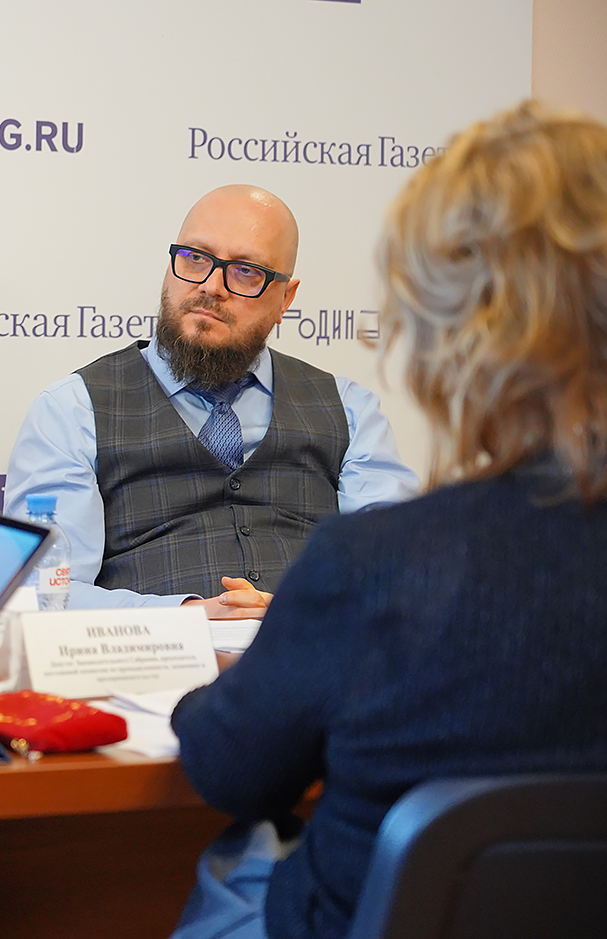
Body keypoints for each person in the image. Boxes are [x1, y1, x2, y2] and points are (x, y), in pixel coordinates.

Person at [167, 101, 607, 939]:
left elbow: (231, 772)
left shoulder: (378, 567)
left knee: (238, 856)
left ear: (442, 328)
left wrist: (208, 695)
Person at [4, 184, 418, 615]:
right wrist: (186, 617)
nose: (211, 285)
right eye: (195, 258)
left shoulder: (349, 410)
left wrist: (298, 613)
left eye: (245, 271)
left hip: (313, 648)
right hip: (150, 655)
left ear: (286, 299)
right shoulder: (73, 410)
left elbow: (402, 568)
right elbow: (45, 592)